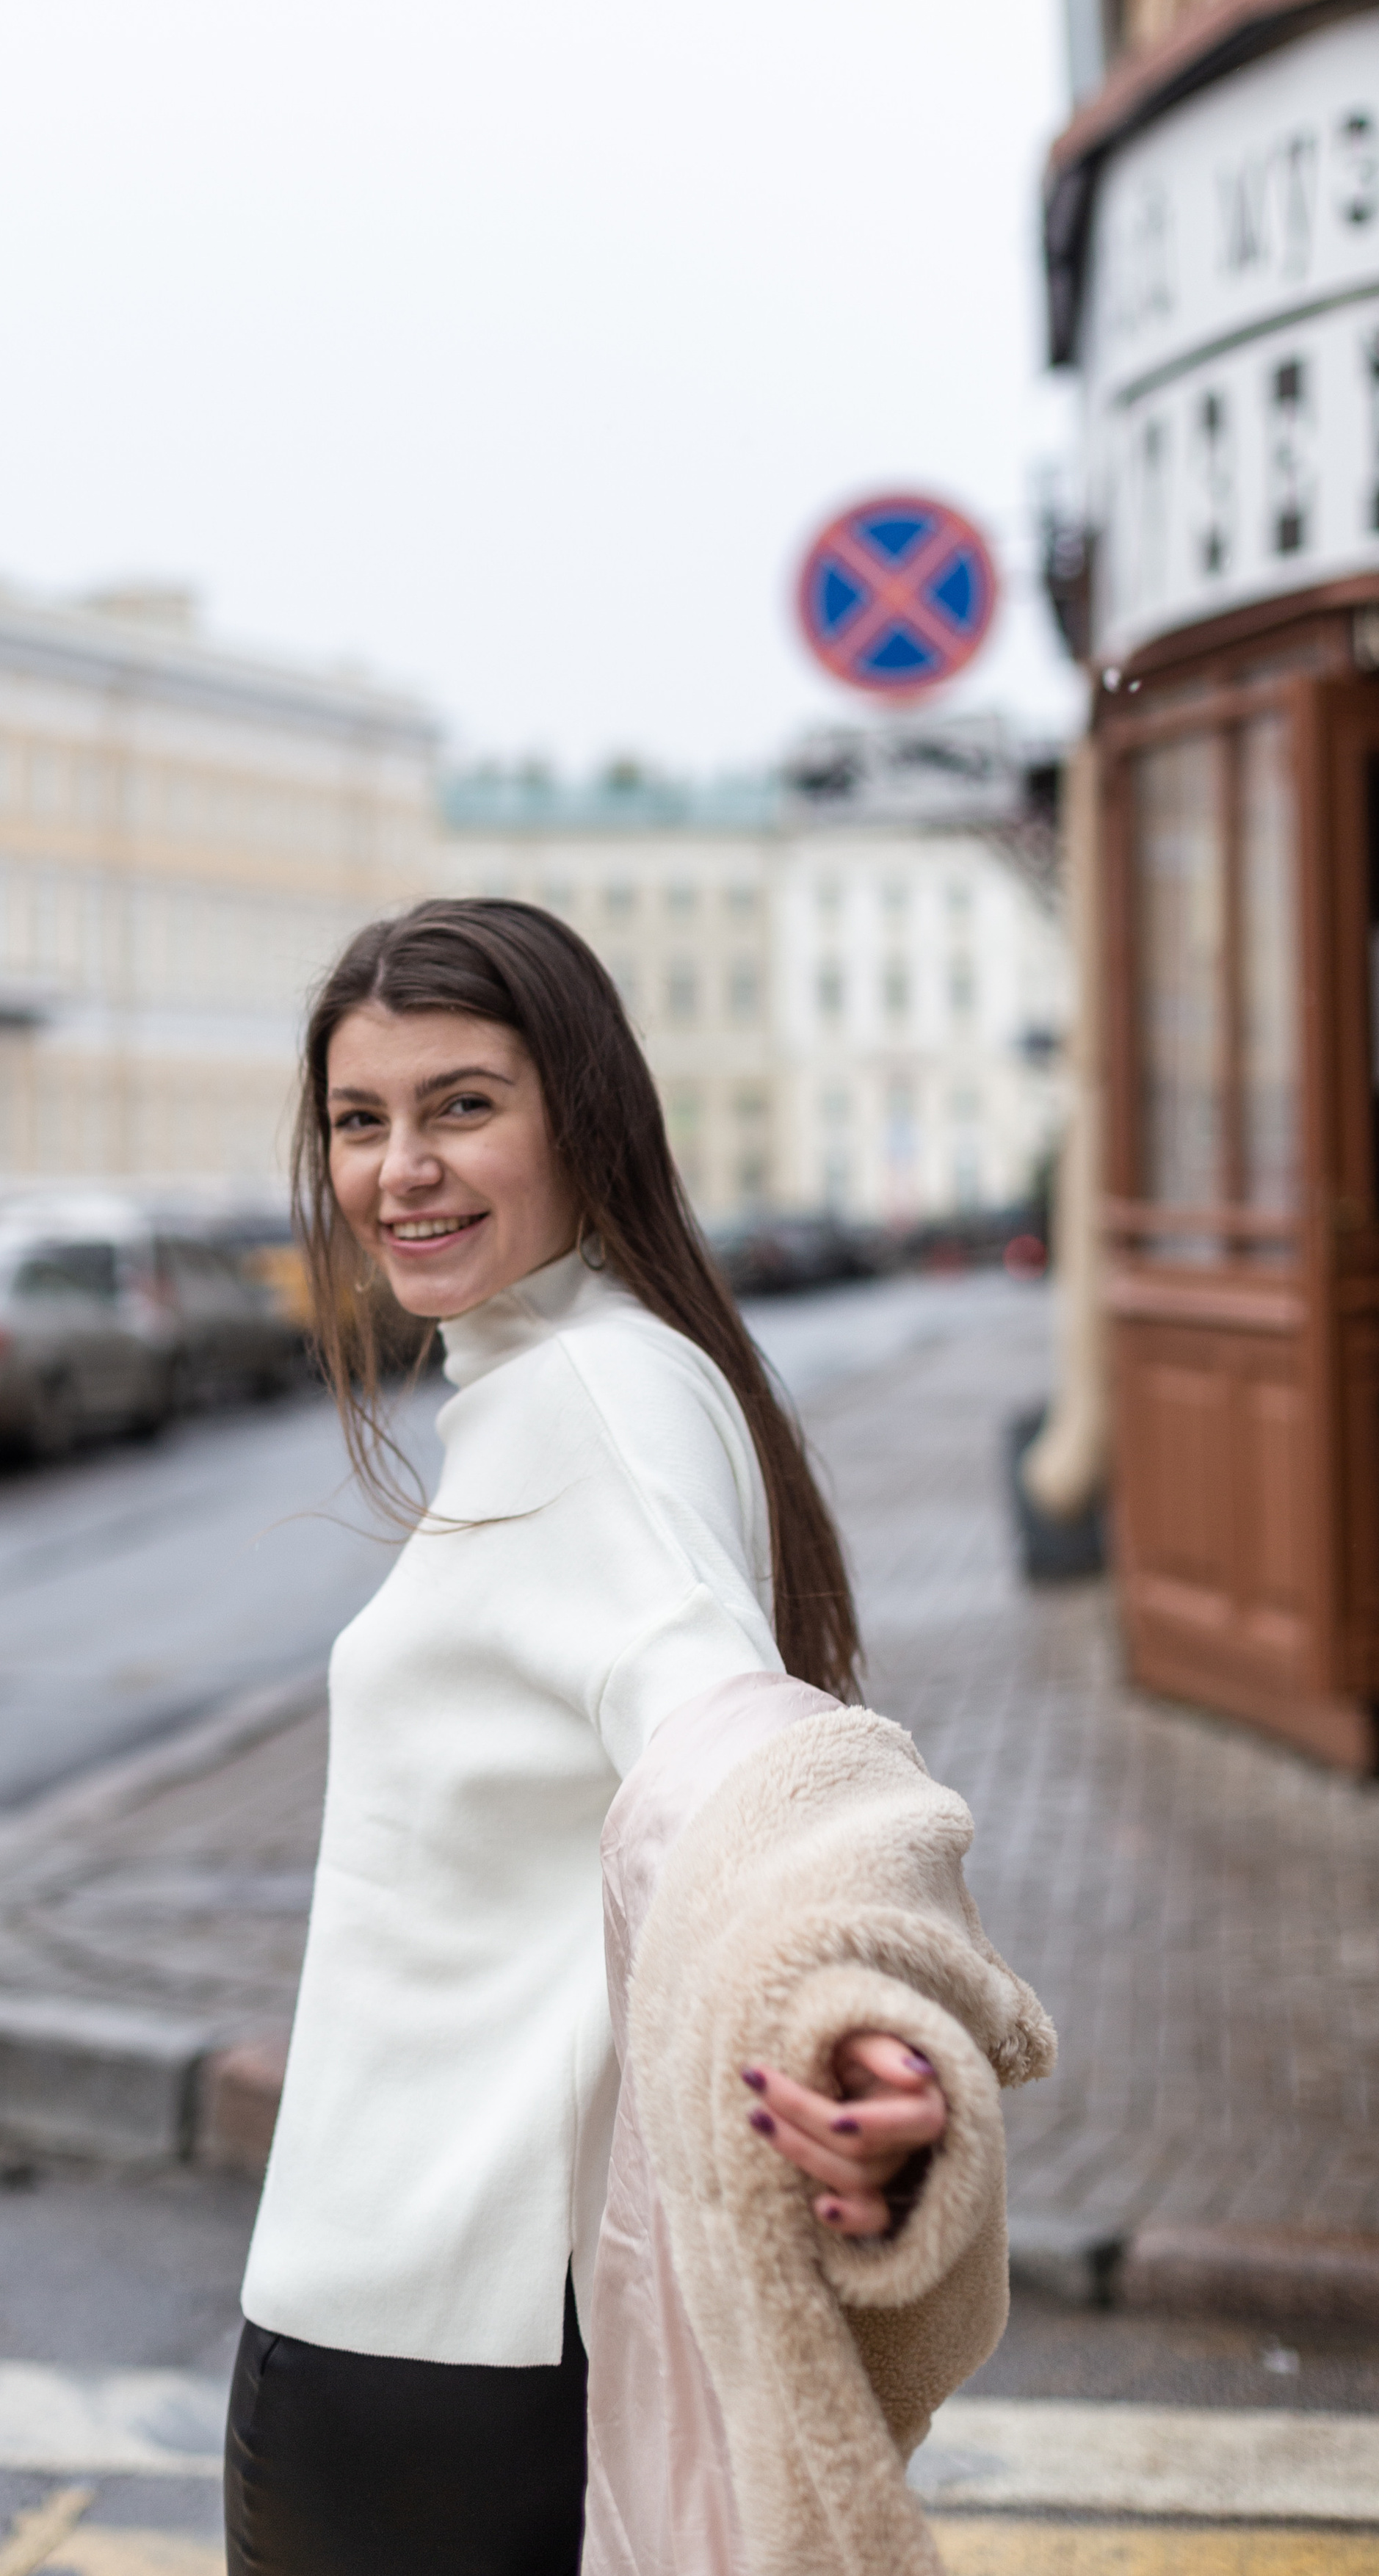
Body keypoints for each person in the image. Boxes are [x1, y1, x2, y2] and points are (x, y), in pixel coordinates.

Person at [225, 900, 1050, 2576]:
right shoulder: (591, 1371)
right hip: (451, 2321)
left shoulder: (587, 1399)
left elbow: (745, 1759)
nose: (400, 1169)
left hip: (427, 2330)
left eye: (461, 1106)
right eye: (360, 1120)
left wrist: (856, 2014)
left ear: (583, 1113)